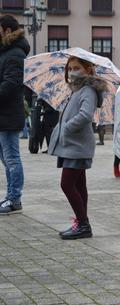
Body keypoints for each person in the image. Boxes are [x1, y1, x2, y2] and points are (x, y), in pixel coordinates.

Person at [48, 56, 107, 239]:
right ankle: (82, 222)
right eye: (70, 68)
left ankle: (83, 224)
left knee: (66, 184)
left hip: (77, 145)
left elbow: (85, 115)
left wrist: (66, 127)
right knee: (79, 185)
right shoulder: (78, 89)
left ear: (88, 70)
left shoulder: (87, 90)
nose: (72, 71)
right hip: (74, 145)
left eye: (76, 68)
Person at [0, 15, 30, 215]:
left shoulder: (15, 54)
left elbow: (11, 84)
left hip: (9, 115)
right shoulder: (6, 53)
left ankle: (14, 198)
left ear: (8, 30)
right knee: (6, 158)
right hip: (3, 115)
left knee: (11, 158)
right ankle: (10, 196)